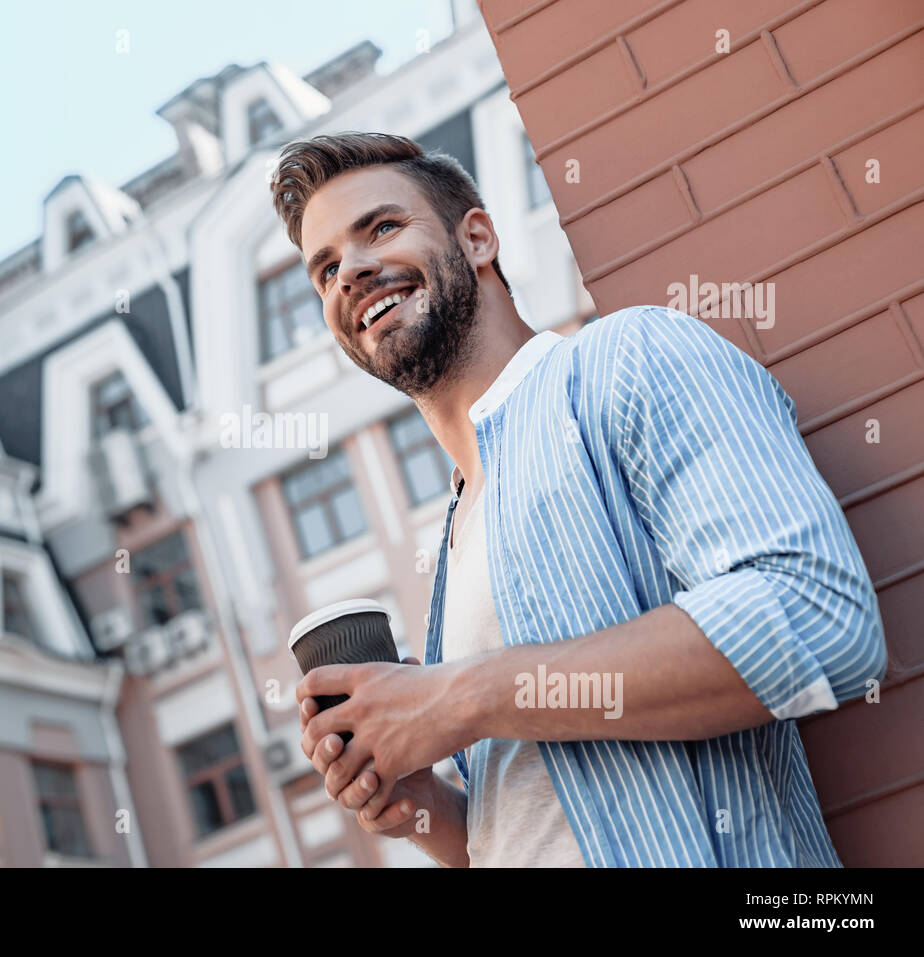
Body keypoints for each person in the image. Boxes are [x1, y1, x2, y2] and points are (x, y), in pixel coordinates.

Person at [269, 131, 887, 867]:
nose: (353, 272)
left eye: (382, 228)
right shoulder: (456, 536)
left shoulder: (627, 359)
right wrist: (421, 806)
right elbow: (540, 828)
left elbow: (819, 615)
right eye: (326, 268)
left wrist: (460, 698)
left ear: (478, 238)